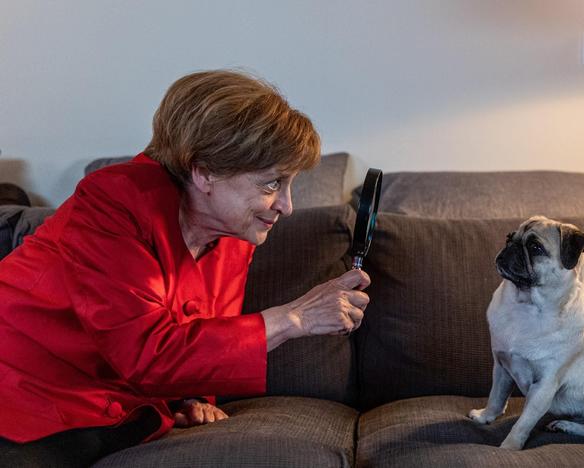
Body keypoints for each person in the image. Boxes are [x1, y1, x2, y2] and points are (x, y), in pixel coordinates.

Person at [0, 70, 370, 466]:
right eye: (271, 184)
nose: (287, 205)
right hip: (26, 391)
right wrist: (294, 318)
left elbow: (200, 332)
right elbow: (146, 353)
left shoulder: (232, 232)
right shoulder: (113, 201)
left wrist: (192, 397)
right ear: (204, 171)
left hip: (115, 408)